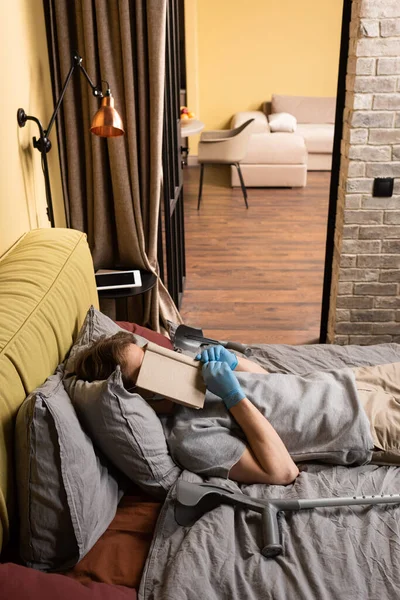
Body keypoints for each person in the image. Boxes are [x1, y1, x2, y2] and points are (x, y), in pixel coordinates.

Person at [74, 331, 400, 486]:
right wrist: (232, 397)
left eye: (150, 351)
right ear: (135, 395)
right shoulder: (189, 438)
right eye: (145, 370)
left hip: (354, 380)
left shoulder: (195, 375)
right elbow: (282, 473)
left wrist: (234, 363)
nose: (162, 360)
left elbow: (272, 386)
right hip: (365, 423)